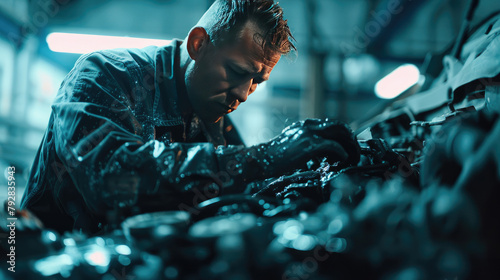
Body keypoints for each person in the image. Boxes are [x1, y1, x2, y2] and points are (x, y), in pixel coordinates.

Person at [20, 0, 360, 234]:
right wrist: (270, 155)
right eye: (237, 71)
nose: (243, 94)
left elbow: (247, 190)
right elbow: (110, 178)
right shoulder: (104, 75)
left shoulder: (213, 119)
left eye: (257, 82)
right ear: (199, 44)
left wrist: (309, 173)